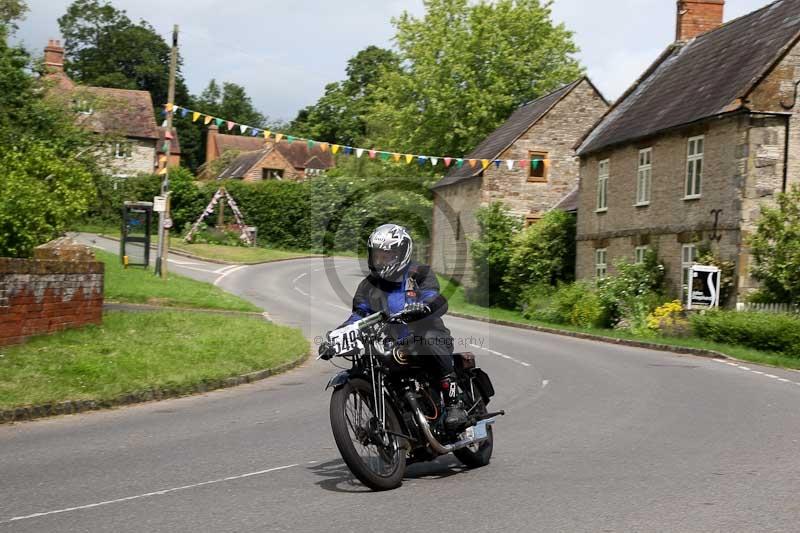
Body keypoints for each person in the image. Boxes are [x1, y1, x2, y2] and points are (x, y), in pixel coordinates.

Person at [319, 223, 468, 431]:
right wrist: (337, 337)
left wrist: (423, 307)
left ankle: (454, 404)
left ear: (401, 253)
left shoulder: (419, 273)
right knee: (367, 362)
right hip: (392, 344)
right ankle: (392, 422)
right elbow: (359, 315)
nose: (380, 261)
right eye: (377, 255)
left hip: (425, 334)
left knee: (428, 341)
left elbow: (432, 296)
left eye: (386, 256)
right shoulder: (368, 286)